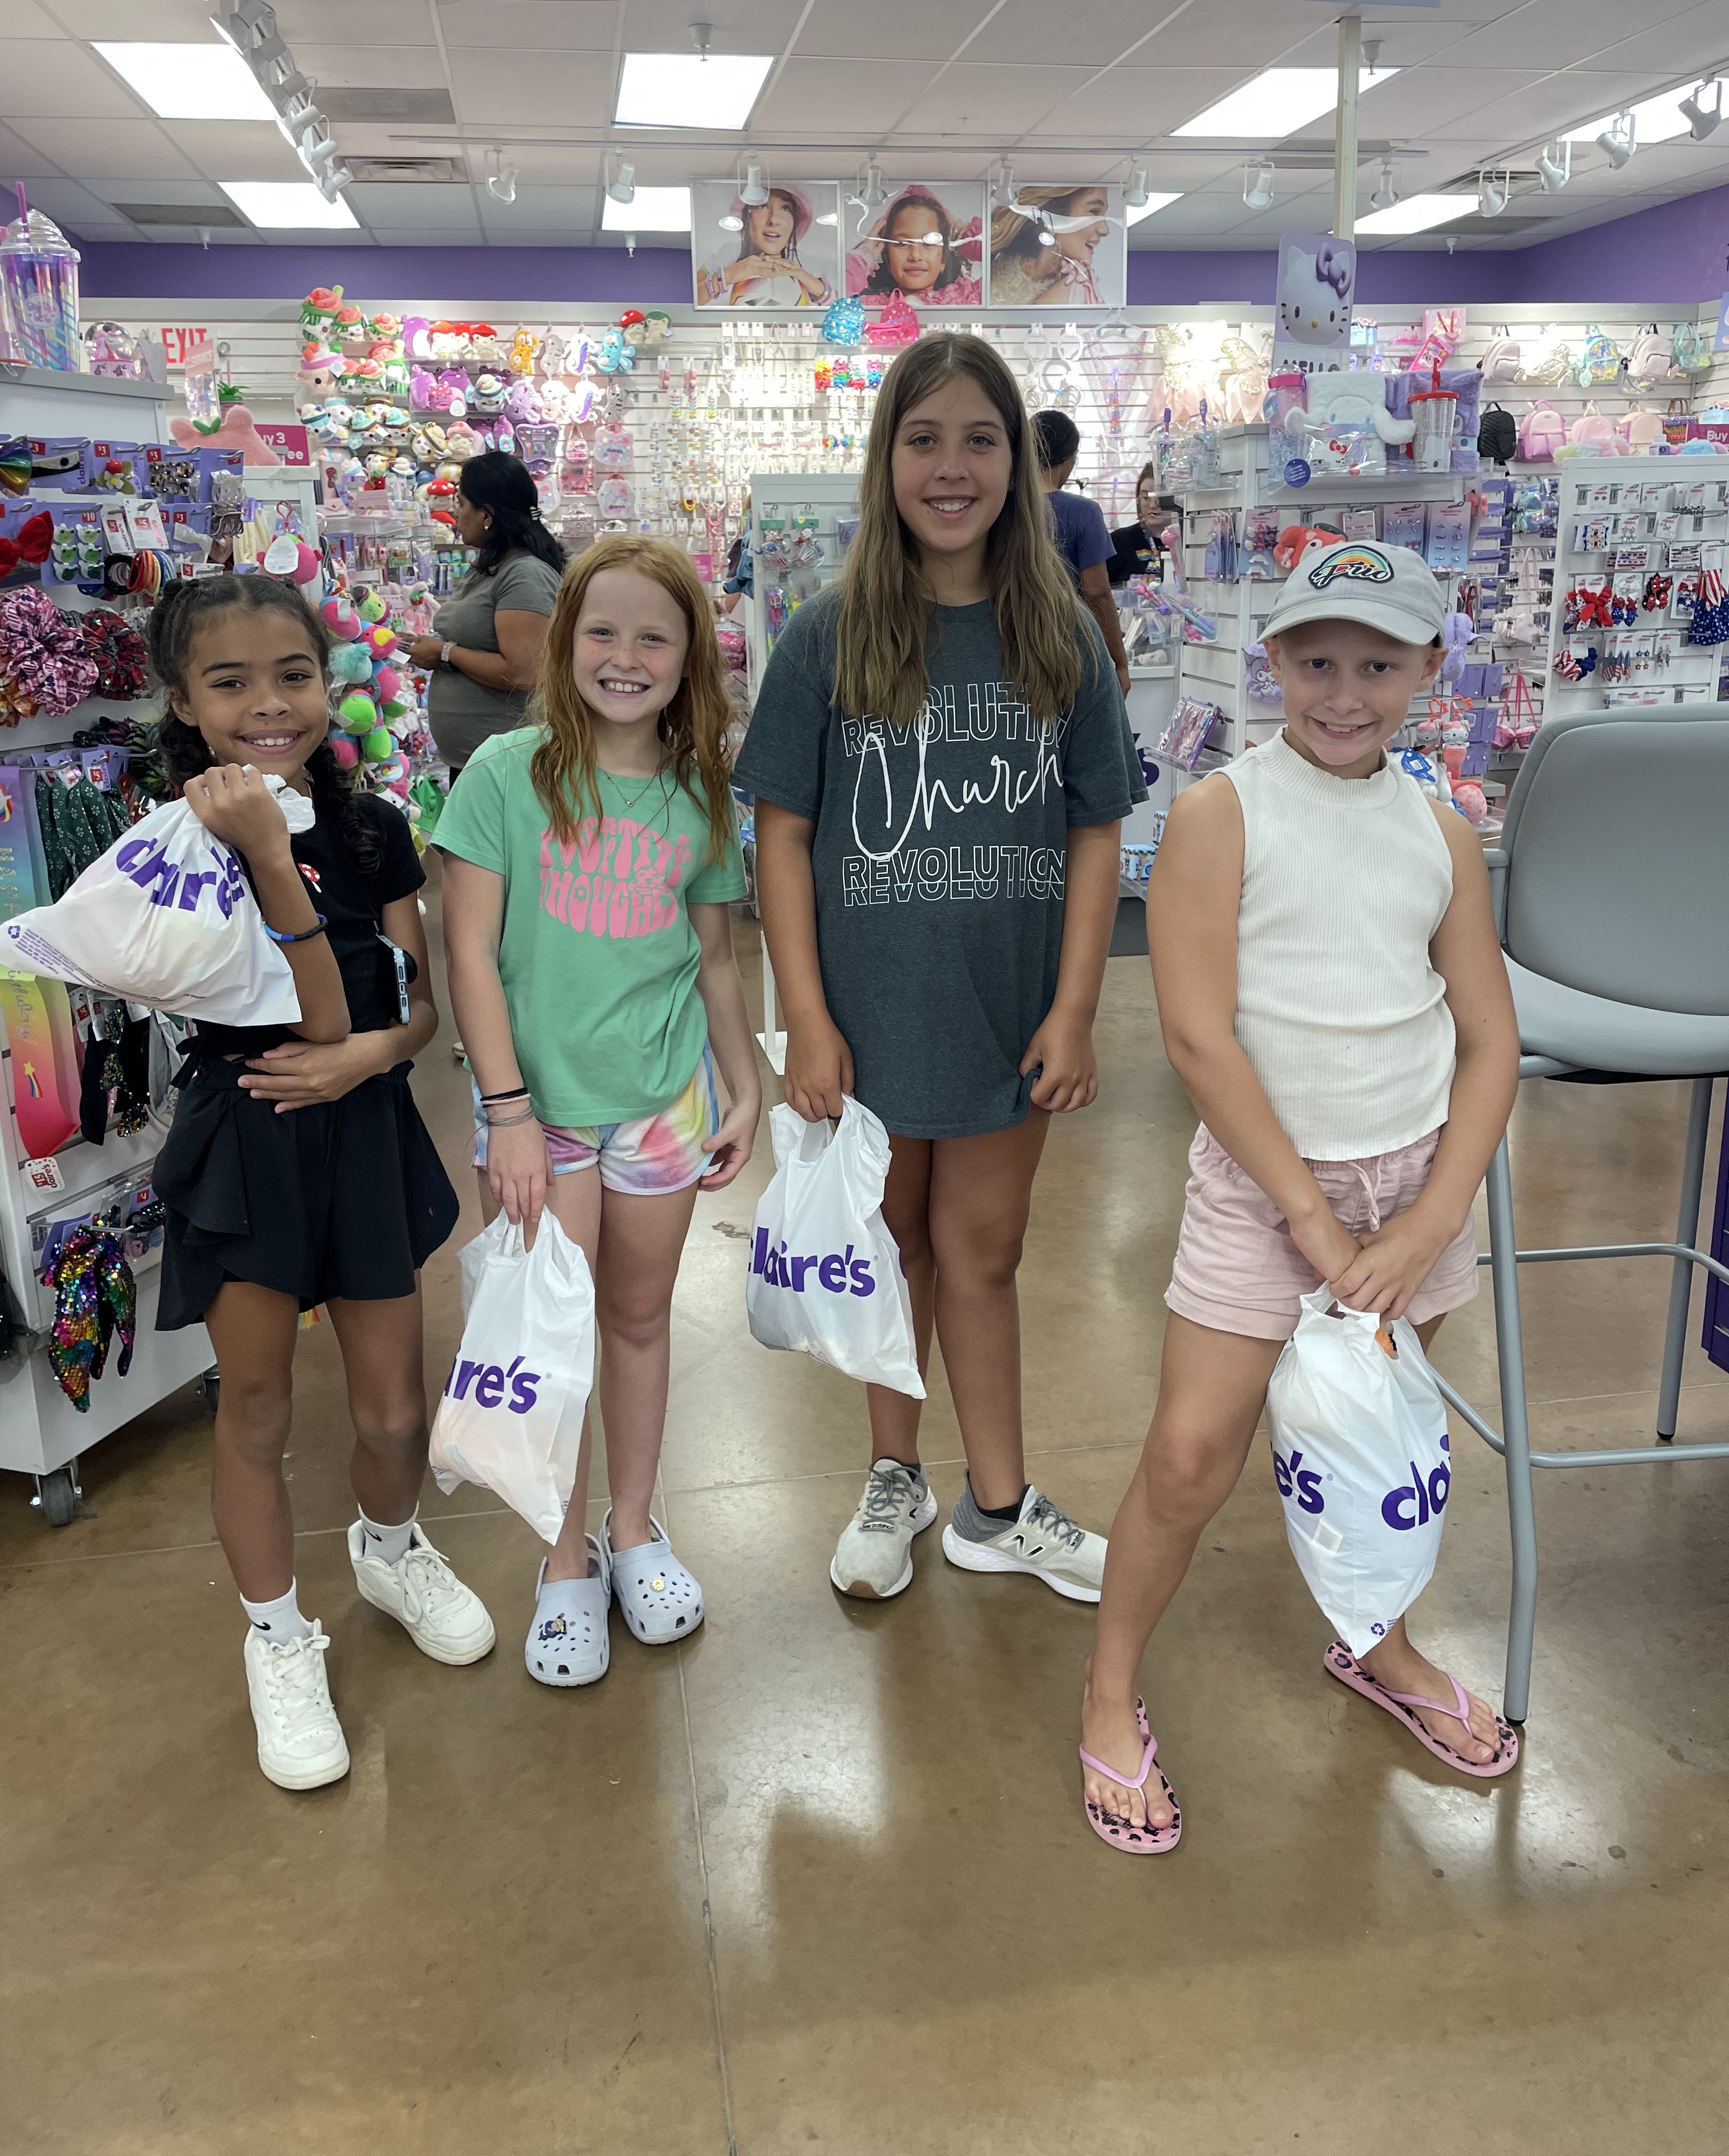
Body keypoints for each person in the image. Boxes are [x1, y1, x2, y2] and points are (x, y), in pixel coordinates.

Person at [1077, 540, 1522, 1854]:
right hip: (1266, 1190)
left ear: (1428, 671)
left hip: (1413, 1192)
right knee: (1188, 1458)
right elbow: (1197, 1034)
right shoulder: (1224, 813)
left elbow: (1490, 1041)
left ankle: (1377, 1644)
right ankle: (1108, 1688)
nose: (1344, 693)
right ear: (1271, 661)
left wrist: (1433, 1217)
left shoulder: (1443, 835)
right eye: (1317, 662)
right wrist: (1312, 1219)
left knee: (1371, 1440)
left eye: (1377, 666)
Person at [737, 332, 1145, 1605]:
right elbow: (781, 835)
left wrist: (1075, 1007)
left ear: (1020, 464)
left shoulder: (1060, 637)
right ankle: (894, 1475)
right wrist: (805, 1017)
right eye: (924, 440)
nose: (952, 467)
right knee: (890, 1251)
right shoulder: (828, 635)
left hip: (1006, 1017)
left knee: (982, 1250)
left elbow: (1095, 829)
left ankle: (999, 1504)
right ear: (886, 460)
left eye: (981, 440)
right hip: (864, 1019)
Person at [148, 575, 487, 1794]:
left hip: (366, 1132)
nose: (269, 704)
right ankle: (277, 1635)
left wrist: (375, 1055)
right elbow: (289, 1005)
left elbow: (414, 1005)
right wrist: (260, 850)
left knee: (395, 1412)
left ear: (328, 680)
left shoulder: (373, 827)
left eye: (293, 674)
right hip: (246, 1141)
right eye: (229, 682)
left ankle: (390, 1550)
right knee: (256, 1407)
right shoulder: (164, 846)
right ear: (183, 703)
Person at [438, 536, 760, 1688]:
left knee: (636, 1316)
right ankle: (562, 1555)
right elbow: (469, 954)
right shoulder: (506, 774)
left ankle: (633, 1527)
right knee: (556, 1334)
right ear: (565, 642)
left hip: (664, 1103)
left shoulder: (700, 790)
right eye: (603, 632)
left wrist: (747, 1082)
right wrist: (508, 1110)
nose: (625, 657)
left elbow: (713, 956)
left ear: (689, 658)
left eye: (653, 637)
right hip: (543, 1112)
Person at [405, 451, 564, 778]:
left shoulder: (525, 573)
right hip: (479, 764)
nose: (456, 512)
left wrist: (445, 653)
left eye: (462, 503)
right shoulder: (491, 566)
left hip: (508, 768)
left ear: (487, 515)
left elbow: (523, 673)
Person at [1033, 409, 1130, 695]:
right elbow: (1097, 593)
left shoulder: (1001, 508)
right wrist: (1119, 664)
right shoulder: (1083, 512)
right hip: (1070, 649)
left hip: (1010, 643)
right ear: (1071, 457)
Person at [698, 186, 831, 309]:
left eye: (786, 208)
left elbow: (838, 306)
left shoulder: (806, 264)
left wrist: (805, 278)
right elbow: (690, 300)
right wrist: (729, 275)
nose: (774, 220)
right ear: (747, 216)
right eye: (762, 206)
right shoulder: (728, 253)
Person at [855, 188, 983, 308]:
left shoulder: (968, 298)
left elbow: (996, 252)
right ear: (887, 257)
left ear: (943, 259)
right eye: (903, 244)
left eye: (929, 243)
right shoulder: (865, 307)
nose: (916, 256)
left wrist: (961, 232)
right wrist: (864, 257)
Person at [989, 185, 1112, 308]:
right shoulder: (985, 269)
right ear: (1053, 218)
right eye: (1094, 212)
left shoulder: (1077, 286)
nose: (1105, 231)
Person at [1105, 464, 1174, 587]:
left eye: (1161, 497)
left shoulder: (1188, 542)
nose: (1153, 505)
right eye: (1146, 498)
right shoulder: (1119, 541)